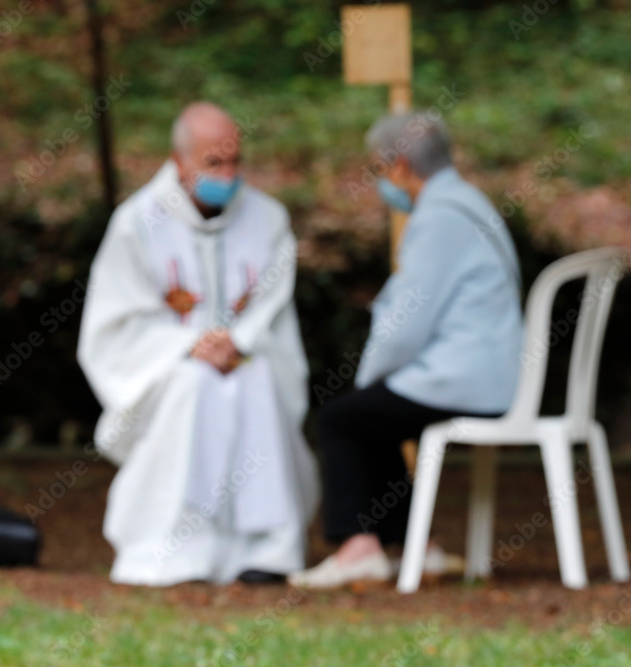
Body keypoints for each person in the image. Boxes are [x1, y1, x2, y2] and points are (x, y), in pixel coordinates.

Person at [77, 102, 319, 586]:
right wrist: (189, 346)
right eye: (213, 163)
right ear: (180, 160)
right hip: (171, 364)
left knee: (257, 380)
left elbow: (272, 298)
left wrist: (238, 341)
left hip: (247, 356)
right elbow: (117, 318)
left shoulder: (268, 218)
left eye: (234, 161)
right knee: (195, 385)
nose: (227, 174)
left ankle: (266, 549)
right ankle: (178, 550)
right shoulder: (137, 223)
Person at [289, 112, 524, 589]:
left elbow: (404, 325)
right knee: (373, 418)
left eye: (380, 167)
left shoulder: (438, 218)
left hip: (464, 378)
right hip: (488, 371)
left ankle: (358, 547)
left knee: (343, 418)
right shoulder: (470, 203)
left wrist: (368, 377)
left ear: (398, 165)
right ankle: (415, 546)